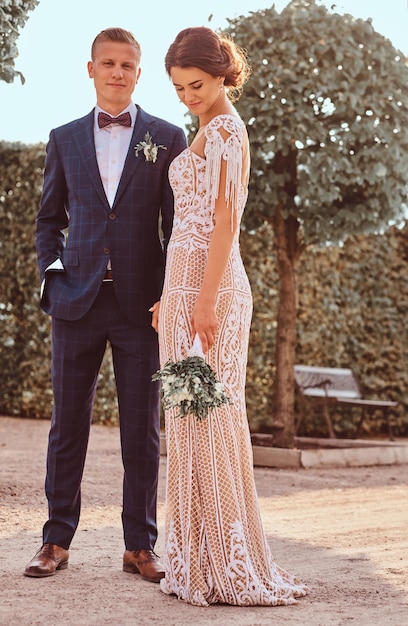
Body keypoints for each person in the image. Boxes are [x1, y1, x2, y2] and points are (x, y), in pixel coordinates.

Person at [151, 26, 308, 606]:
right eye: (178, 88)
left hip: (211, 292)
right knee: (189, 419)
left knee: (212, 416)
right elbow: (187, 225)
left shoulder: (228, 130)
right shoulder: (203, 127)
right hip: (185, 288)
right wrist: (171, 294)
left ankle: (226, 561)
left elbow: (225, 221)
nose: (188, 95)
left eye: (196, 84)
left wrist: (204, 298)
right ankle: (196, 558)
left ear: (222, 75)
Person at [24, 27, 187, 581]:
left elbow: (179, 225)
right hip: (76, 303)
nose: (117, 72)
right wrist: (52, 280)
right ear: (90, 69)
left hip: (143, 307)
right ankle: (54, 542)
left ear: (139, 74)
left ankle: (140, 545)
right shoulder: (63, 138)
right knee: (67, 424)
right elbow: (49, 221)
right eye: (108, 63)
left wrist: (171, 294)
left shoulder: (168, 137)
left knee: (143, 429)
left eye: (127, 65)